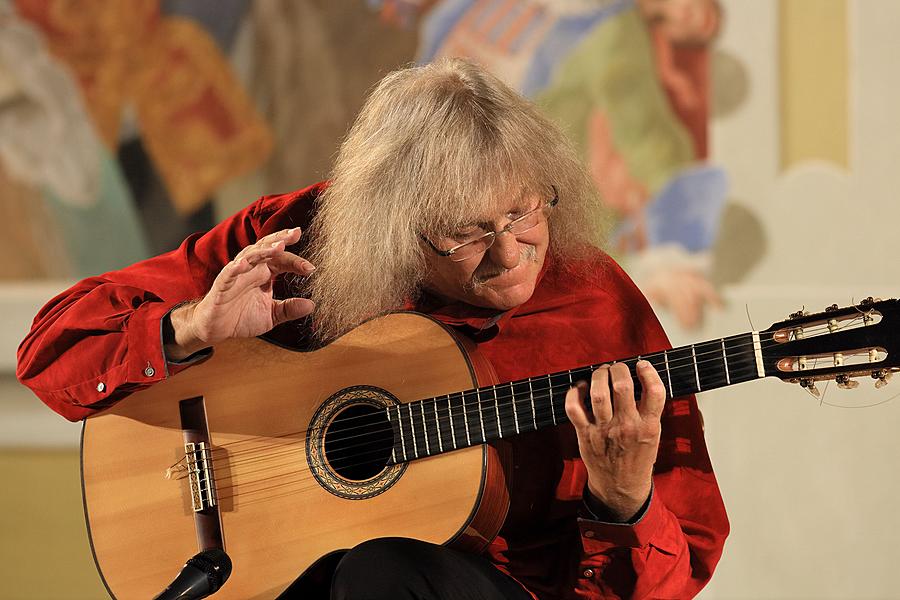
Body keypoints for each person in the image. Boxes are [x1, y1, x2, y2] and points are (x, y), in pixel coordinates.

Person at [17, 58, 728, 599]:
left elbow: (675, 575)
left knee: (383, 570)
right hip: (281, 574)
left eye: (523, 214)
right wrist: (190, 327)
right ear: (392, 229)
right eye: (465, 234)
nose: (511, 253)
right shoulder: (299, 241)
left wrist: (625, 500)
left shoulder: (596, 303)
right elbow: (49, 352)